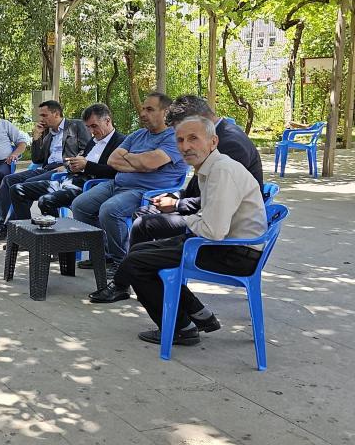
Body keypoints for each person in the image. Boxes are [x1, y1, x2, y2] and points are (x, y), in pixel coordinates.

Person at [113, 116, 267, 346]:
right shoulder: (211, 167)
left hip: (234, 254)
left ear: (213, 141)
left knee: (136, 264)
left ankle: (181, 329)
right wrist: (192, 220)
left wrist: (187, 219)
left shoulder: (222, 171)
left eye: (193, 138)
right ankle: (199, 313)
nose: (185, 146)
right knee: (139, 251)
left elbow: (213, 231)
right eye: (180, 140)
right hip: (221, 244)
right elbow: (208, 221)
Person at [71, 92, 189, 303]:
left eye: (149, 109)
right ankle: (105, 253)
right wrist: (141, 162)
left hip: (146, 191)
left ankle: (121, 264)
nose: (143, 113)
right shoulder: (138, 134)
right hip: (117, 183)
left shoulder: (174, 138)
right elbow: (114, 160)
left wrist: (134, 160)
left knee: (109, 210)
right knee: (80, 205)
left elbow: (150, 163)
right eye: (143, 108)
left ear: (166, 112)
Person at [129, 95, 263, 248]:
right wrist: (176, 195)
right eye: (180, 138)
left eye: (190, 136)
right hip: (207, 216)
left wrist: (177, 204)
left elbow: (220, 199)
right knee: (142, 217)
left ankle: (145, 257)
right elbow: (198, 186)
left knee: (143, 225)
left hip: (224, 230)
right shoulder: (217, 135)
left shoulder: (231, 144)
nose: (184, 146)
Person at [0, 103, 124, 241]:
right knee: (16, 188)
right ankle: (22, 235)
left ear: (107, 120)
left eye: (94, 126)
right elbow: (37, 159)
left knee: (44, 199)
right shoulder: (54, 135)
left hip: (87, 185)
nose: (91, 131)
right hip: (63, 175)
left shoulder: (120, 142)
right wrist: (37, 138)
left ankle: (52, 241)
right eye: (89, 127)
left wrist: (82, 165)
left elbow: (116, 170)